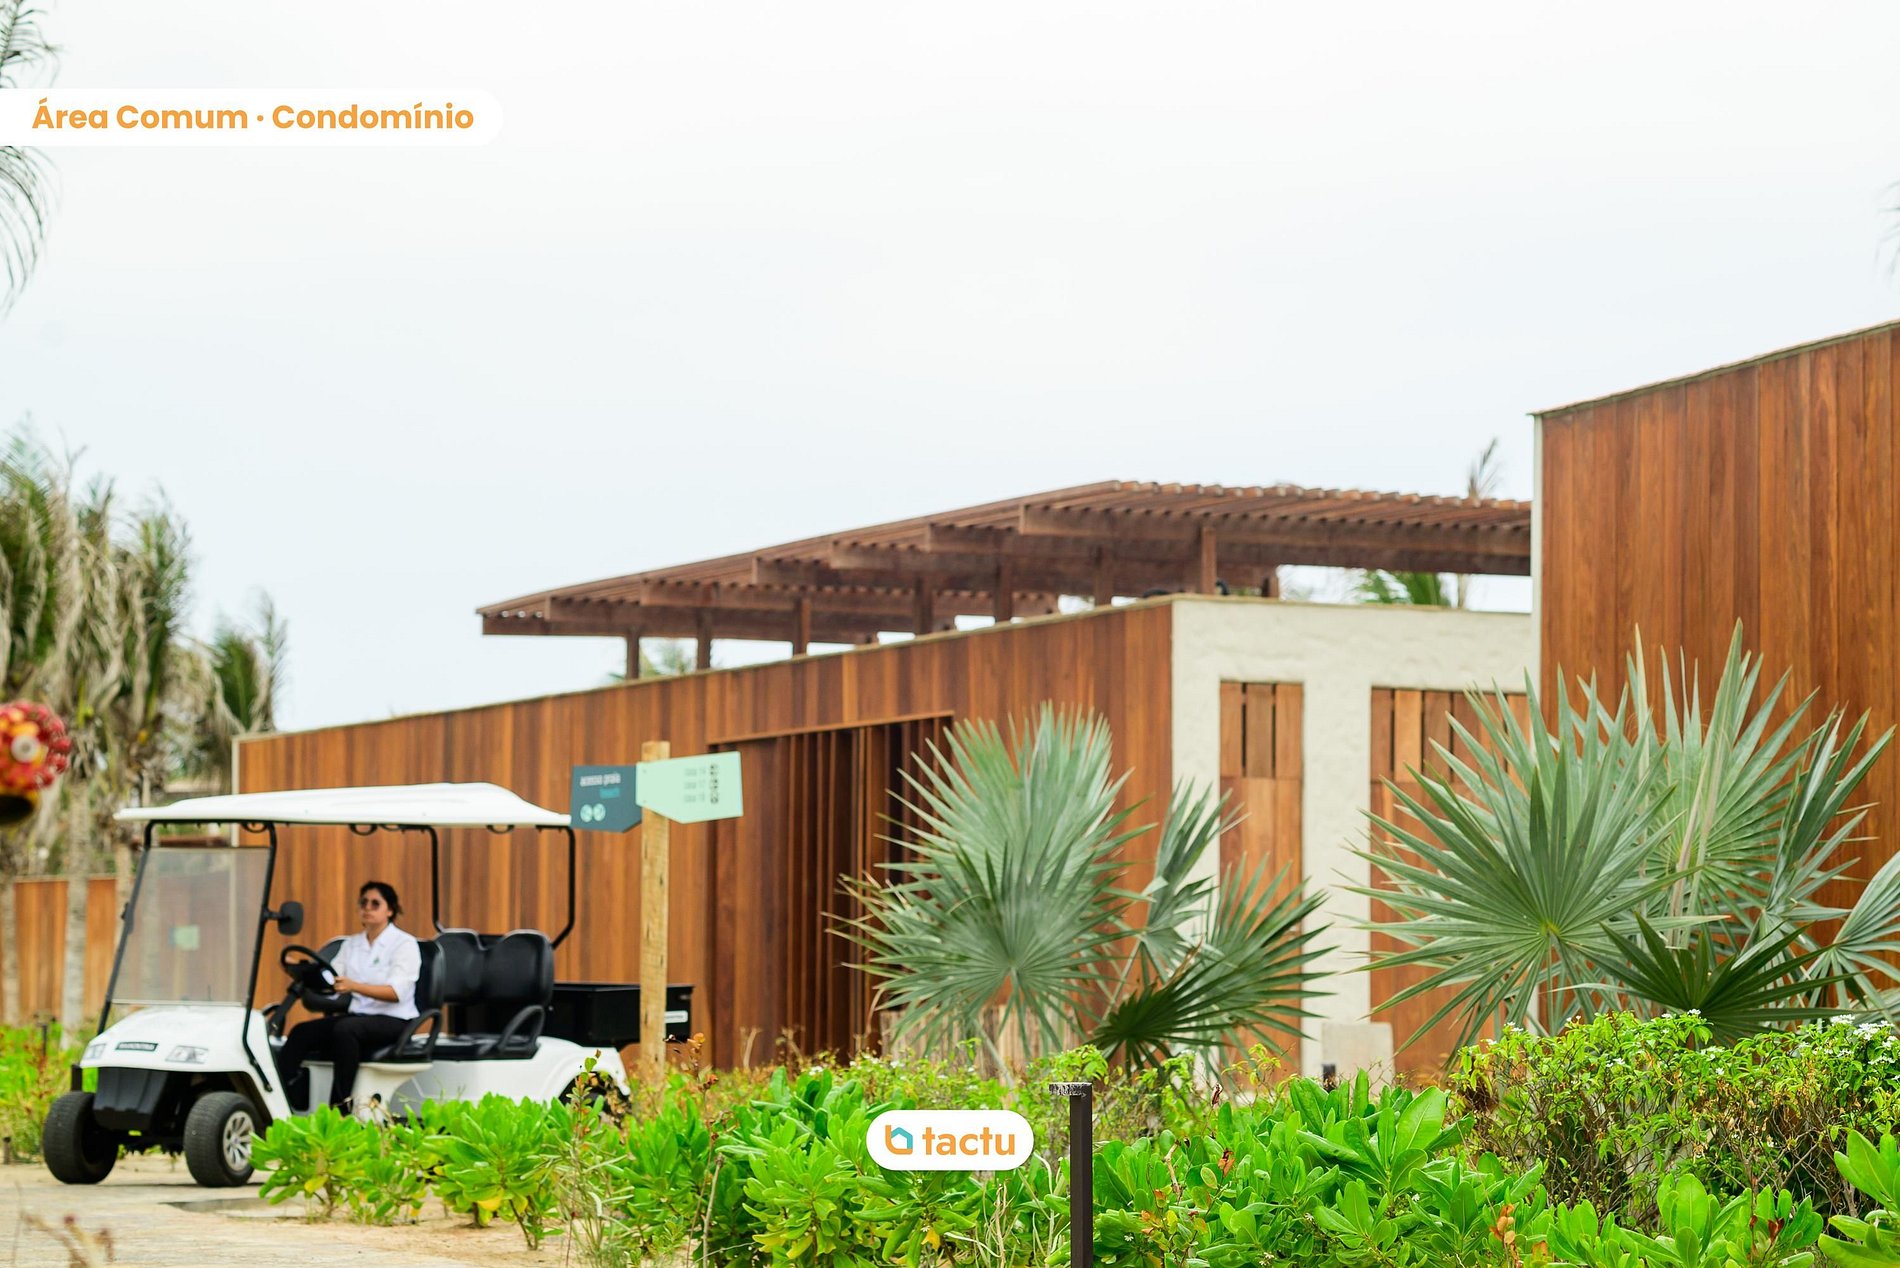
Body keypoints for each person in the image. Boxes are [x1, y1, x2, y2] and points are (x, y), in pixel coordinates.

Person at [274, 880, 421, 1111]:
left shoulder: (404, 944)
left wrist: (355, 986)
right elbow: (331, 978)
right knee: (301, 1032)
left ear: (390, 910)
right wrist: (301, 970)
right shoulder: (352, 944)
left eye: (375, 904)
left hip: (395, 1021)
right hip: (360, 1018)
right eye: (363, 903)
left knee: (346, 1030)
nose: (367, 908)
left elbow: (396, 993)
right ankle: (280, 1102)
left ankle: (340, 1109)